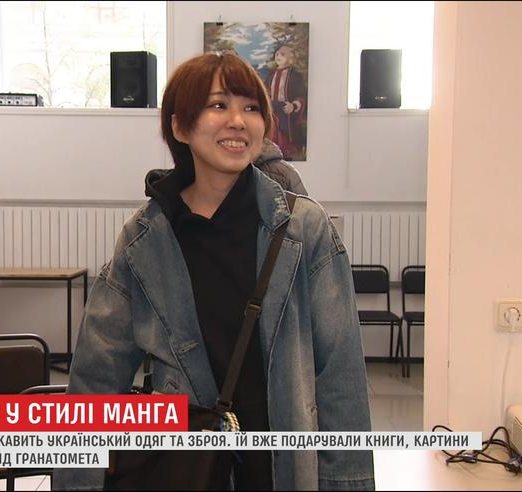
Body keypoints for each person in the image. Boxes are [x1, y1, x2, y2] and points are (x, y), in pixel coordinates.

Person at [54, 52, 372, 490]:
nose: (238, 121)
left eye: (251, 107)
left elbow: (340, 377)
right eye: (219, 105)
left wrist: (348, 482)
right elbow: (96, 376)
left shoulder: (304, 229)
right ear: (180, 126)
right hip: (185, 468)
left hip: (281, 468)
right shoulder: (145, 240)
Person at [264, 44, 308, 161]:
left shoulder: (295, 76)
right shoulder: (271, 75)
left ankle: (287, 153)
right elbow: (265, 91)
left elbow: (301, 95)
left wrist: (293, 106)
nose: (278, 56)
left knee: (285, 134)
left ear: (290, 58)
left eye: (282, 54)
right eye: (277, 54)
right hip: (272, 109)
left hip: (286, 111)